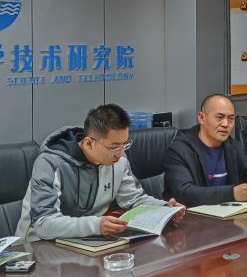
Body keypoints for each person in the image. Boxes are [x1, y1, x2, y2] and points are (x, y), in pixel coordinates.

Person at [16, 104, 185, 242]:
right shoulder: (51, 163)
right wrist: (96, 226)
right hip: (38, 249)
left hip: (87, 243)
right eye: (114, 147)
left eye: (125, 145)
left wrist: (165, 209)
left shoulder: (118, 161)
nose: (120, 154)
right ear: (89, 143)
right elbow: (44, 223)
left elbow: (134, 200)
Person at [164, 94, 247, 207]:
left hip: (228, 214)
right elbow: (184, 193)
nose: (225, 124)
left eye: (231, 119)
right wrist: (231, 193)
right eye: (219, 117)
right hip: (193, 215)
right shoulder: (180, 149)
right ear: (201, 117)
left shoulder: (233, 146)